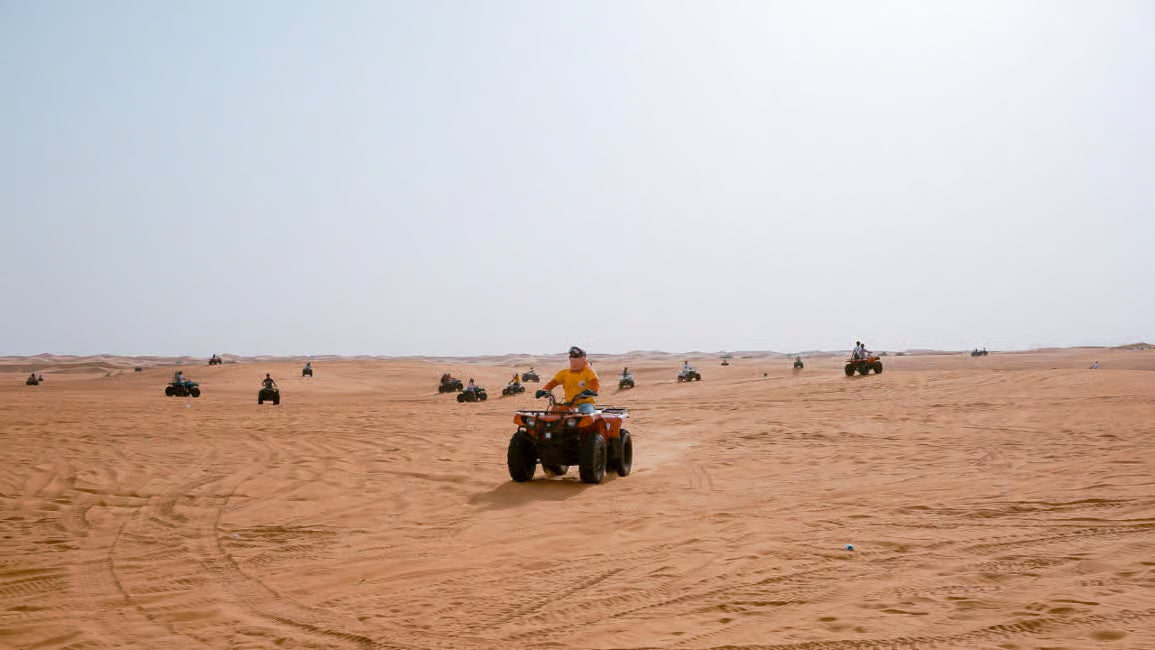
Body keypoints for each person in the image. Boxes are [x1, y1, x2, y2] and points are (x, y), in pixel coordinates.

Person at [537, 346, 600, 414]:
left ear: (583, 358)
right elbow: (552, 383)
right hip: (569, 404)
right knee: (553, 415)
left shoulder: (589, 372)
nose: (573, 359)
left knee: (586, 417)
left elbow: (595, 383)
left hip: (585, 404)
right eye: (571, 356)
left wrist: (593, 391)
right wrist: (544, 390)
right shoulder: (564, 373)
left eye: (576, 356)